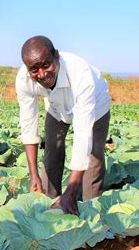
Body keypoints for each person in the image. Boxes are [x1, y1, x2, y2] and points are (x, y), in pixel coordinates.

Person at [15, 35, 111, 215]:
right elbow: (28, 125)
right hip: (57, 108)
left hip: (95, 107)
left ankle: (90, 209)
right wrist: (33, 174)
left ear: (56, 56)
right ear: (27, 69)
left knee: (93, 154)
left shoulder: (80, 74)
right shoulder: (23, 80)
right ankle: (50, 201)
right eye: (34, 69)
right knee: (52, 149)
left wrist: (71, 189)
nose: (42, 74)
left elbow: (82, 133)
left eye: (46, 65)